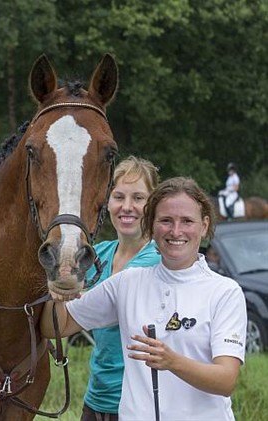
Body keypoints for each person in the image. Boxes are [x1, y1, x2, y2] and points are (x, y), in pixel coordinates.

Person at [42, 177, 246, 421]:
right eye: (166, 221)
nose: (176, 231)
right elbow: (57, 327)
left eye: (187, 221)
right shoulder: (127, 282)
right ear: (151, 225)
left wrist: (173, 362)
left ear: (204, 226)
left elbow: (226, 380)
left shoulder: (224, 291)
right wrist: (56, 294)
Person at [80, 156, 160, 421]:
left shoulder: (157, 260)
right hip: (96, 399)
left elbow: (94, 304)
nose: (127, 207)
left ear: (153, 204)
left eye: (138, 198)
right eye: (118, 197)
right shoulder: (98, 255)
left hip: (139, 406)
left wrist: (70, 293)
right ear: (107, 201)